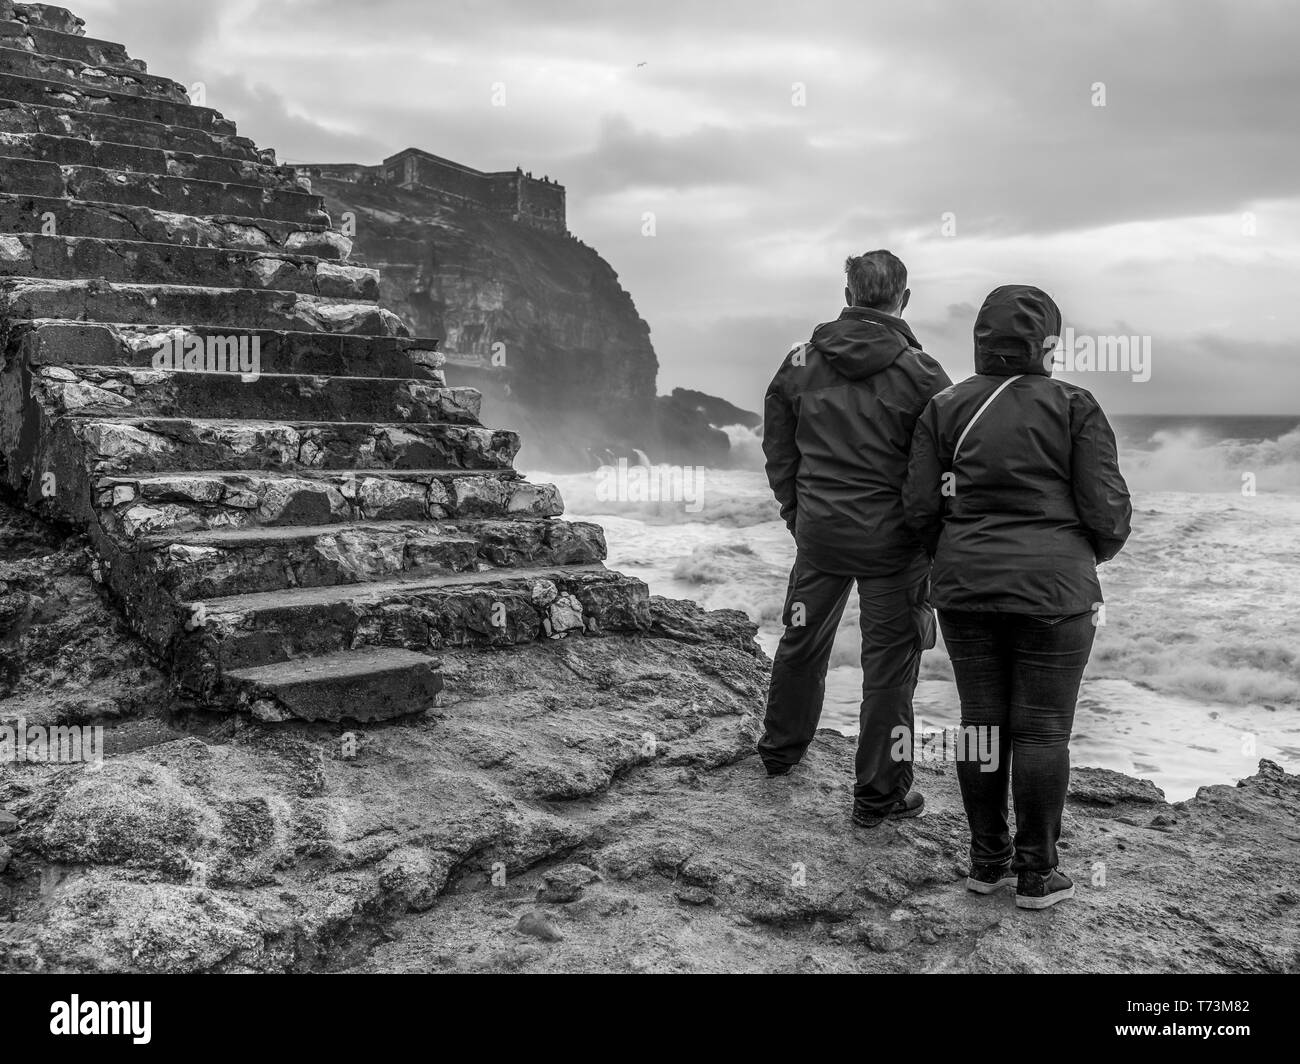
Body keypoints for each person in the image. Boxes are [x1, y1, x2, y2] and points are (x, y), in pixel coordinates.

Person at [902, 284, 1131, 909]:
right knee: (1042, 733)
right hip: (1056, 591)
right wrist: (1078, 559)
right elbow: (1108, 511)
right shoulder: (1074, 405)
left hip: (966, 590)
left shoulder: (945, 407)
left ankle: (985, 864)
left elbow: (921, 507)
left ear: (981, 340)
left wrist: (953, 557)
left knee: (981, 727)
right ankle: (1037, 875)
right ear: (1048, 343)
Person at [760, 250, 952, 826]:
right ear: (904, 299)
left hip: (820, 534)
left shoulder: (800, 362)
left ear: (846, 291)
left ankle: (779, 752)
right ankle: (878, 794)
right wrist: (928, 536)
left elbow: (778, 446)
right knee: (890, 667)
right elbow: (939, 471)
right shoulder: (924, 374)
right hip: (893, 545)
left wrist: (798, 512)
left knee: (801, 641)